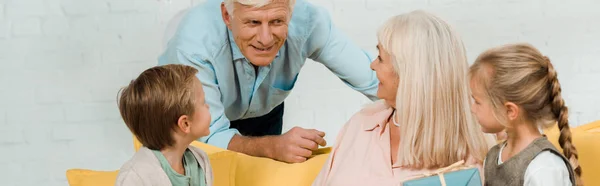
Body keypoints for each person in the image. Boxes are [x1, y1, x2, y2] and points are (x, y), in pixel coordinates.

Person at [158, 0, 379, 163]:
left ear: (290, 15)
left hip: (264, 112)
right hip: (196, 123)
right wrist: (272, 147)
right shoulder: (195, 43)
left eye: (276, 21)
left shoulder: (309, 21)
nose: (265, 39)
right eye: (253, 22)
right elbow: (209, 136)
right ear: (227, 16)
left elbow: (374, 79)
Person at [312, 10, 493, 186]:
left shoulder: (471, 149)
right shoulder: (360, 125)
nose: (372, 65)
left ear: (410, 74)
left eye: (381, 59)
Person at [469, 43, 582, 186]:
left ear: (510, 111)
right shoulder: (493, 157)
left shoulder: (544, 168)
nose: (472, 109)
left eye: (477, 102)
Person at [115, 64, 213, 186]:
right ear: (185, 123)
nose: (208, 106)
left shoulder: (200, 161)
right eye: (203, 102)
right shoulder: (134, 178)